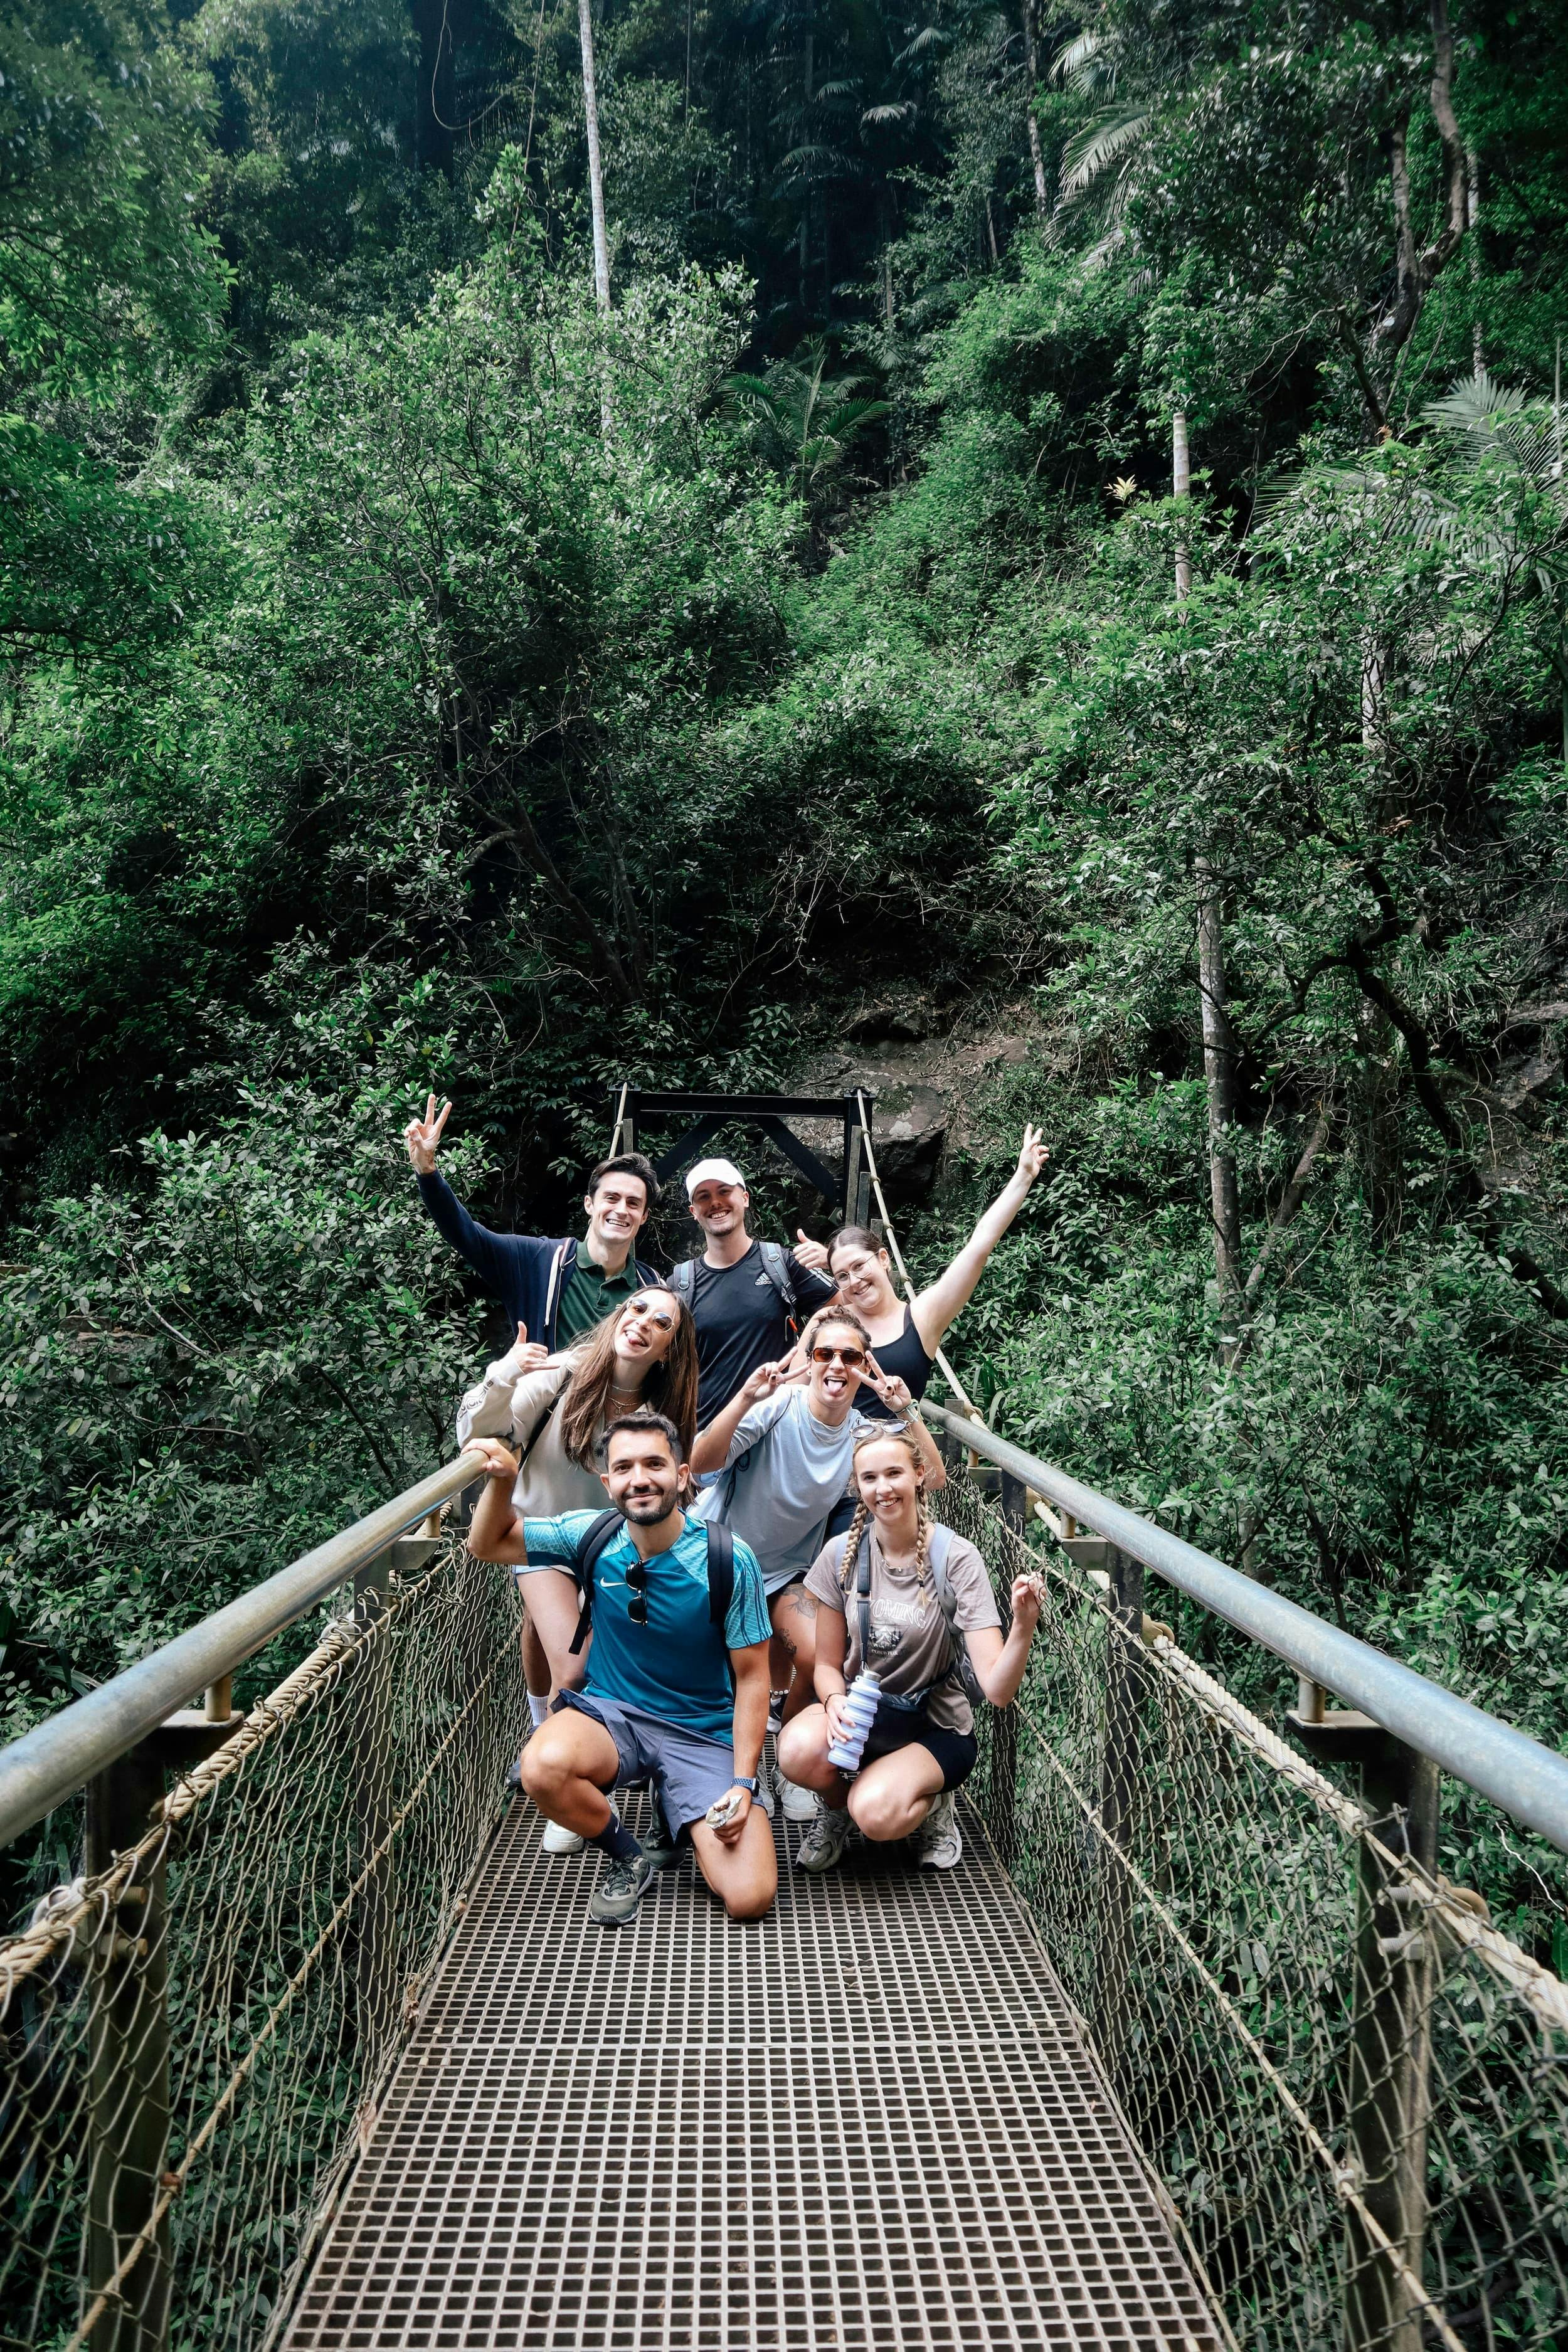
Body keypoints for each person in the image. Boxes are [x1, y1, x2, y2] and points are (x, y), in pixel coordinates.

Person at [465, 1411, 777, 1927]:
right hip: (614, 1717)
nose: (640, 1479)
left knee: (749, 1897)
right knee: (541, 1767)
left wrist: (743, 1783)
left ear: (681, 1475)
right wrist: (504, 1482)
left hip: (702, 1731)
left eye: (655, 1464)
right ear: (607, 1482)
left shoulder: (727, 1558)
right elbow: (488, 1544)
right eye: (625, 1467)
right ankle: (629, 1857)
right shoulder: (590, 1534)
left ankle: (677, 1810)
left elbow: (753, 1678)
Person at [457, 1286, 699, 1850]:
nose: (642, 1322)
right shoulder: (563, 1376)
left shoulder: (658, 1411)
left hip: (609, 1546)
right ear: (619, 1315)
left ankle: (568, 1742)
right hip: (538, 1535)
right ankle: (559, 1754)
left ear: (667, 1348)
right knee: (573, 1668)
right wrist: (504, 1375)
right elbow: (476, 1434)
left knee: (557, 1638)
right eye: (636, 1308)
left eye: (660, 1321)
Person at [689, 1304, 946, 1818]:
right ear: (809, 1361)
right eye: (825, 1353)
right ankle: (729, 1766)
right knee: (706, 1670)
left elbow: (932, 1479)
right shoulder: (777, 1406)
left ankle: (788, 1747)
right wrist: (744, 1398)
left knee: (817, 1654)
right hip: (717, 1558)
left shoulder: (860, 1431)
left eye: (850, 1357)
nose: (836, 1365)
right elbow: (699, 1465)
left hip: (784, 1571)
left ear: (865, 1366)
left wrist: (906, 1410)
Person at [777, 1422, 1044, 1874]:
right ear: (856, 1486)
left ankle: (934, 1805)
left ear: (920, 1474)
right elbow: (825, 1664)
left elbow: (998, 1691)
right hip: (864, 1719)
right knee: (794, 1750)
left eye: (894, 1474)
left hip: (934, 1725)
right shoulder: (841, 1554)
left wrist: (1023, 1625)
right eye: (870, 1478)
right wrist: (834, 1699)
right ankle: (836, 1812)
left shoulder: (956, 1558)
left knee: (877, 1815)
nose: (883, 1489)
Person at [825, 1125, 1051, 1422]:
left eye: (859, 1266)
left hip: (896, 1463)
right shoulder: (833, 1320)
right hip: (835, 1460)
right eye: (842, 1275)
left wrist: (1023, 1176)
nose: (855, 1281)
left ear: (883, 1259)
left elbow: (977, 1249)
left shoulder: (922, 1317)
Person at [405, 1093, 661, 1352]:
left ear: (644, 1216)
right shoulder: (538, 1261)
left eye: (633, 1203)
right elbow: (467, 1235)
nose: (621, 1210)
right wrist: (428, 1173)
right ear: (589, 1204)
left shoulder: (651, 1289)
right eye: (611, 1198)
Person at [667, 1158, 837, 1424]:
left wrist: (834, 1261)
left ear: (744, 1198)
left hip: (777, 1433)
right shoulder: (680, 1283)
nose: (715, 1203)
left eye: (724, 1191)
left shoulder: (780, 1263)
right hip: (707, 1439)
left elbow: (845, 1310)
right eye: (704, 1196)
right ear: (693, 1211)